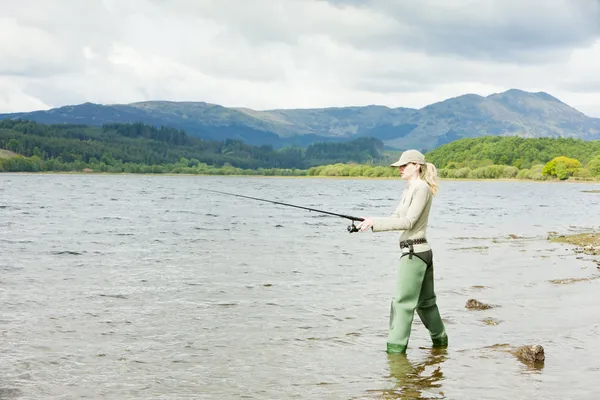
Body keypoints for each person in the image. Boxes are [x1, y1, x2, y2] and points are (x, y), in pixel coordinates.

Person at [356, 149, 448, 354]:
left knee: (402, 304)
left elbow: (408, 222)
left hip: (414, 253)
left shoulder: (421, 188)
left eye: (404, 165)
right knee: (425, 304)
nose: (399, 169)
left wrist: (375, 223)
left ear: (416, 166)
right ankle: (441, 344)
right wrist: (370, 222)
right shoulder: (409, 189)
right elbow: (396, 216)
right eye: (399, 166)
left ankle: (395, 354)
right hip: (419, 251)